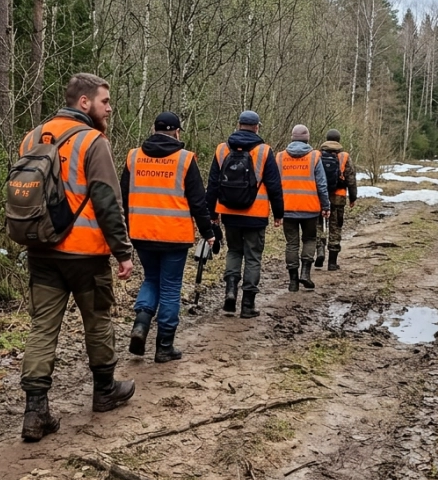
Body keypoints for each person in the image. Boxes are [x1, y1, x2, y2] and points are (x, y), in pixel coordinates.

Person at [18, 73, 137, 443]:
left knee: (42, 328)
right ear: (84, 103)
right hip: (84, 253)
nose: (109, 108)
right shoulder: (93, 141)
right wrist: (123, 252)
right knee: (98, 321)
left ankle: (35, 413)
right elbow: (106, 200)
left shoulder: (32, 136)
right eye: (105, 101)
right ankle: (104, 391)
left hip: (40, 249)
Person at [120, 112, 215, 362]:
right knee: (171, 288)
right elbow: (198, 202)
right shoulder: (184, 159)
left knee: (151, 279)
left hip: (141, 233)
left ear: (153, 129)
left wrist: (125, 230)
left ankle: (141, 323)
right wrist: (209, 232)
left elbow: (123, 197)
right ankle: (163, 347)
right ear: (177, 132)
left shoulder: (134, 157)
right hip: (174, 235)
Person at [205, 111, 285, 318]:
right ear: (257, 127)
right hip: (255, 214)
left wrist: (212, 213)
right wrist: (278, 213)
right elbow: (275, 186)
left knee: (233, 252)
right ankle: (248, 305)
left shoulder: (222, 149)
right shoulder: (265, 151)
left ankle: (230, 293)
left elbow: (213, 184)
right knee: (253, 258)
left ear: (238, 124)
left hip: (228, 212)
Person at [278, 125, 330, 292]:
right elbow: (322, 185)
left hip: (287, 208)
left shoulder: (280, 157)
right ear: (307, 138)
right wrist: (326, 205)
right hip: (310, 209)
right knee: (309, 240)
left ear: (292, 138)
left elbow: (274, 184)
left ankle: (293, 281)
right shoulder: (314, 156)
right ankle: (305, 274)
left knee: (291, 244)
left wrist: (276, 208)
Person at [316, 129, 357, 271]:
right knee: (335, 228)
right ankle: (332, 263)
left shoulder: (317, 155)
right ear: (339, 140)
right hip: (338, 198)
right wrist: (353, 197)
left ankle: (319, 251)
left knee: (319, 224)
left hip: (320, 197)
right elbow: (351, 179)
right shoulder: (344, 156)